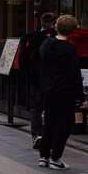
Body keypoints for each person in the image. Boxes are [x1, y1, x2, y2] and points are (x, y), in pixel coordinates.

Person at [37, 14, 85, 170]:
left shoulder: (46, 44)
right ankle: (56, 158)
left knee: (49, 123)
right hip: (65, 93)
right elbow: (75, 75)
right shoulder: (69, 49)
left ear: (56, 26)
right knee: (63, 126)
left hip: (48, 91)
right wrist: (81, 97)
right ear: (72, 30)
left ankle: (44, 156)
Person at [19, 12, 56, 149]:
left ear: (41, 23)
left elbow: (22, 60)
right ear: (54, 24)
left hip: (36, 77)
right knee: (52, 107)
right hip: (54, 79)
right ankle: (49, 135)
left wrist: (29, 72)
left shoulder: (30, 38)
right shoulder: (58, 39)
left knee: (36, 107)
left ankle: (37, 135)